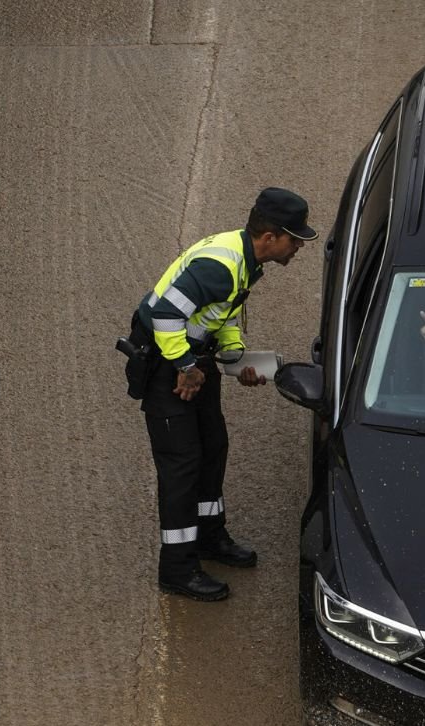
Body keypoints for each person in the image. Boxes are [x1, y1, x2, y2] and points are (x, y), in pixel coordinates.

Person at [130, 187, 318, 601]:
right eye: (295, 240)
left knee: (213, 447)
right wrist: (184, 367)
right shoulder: (220, 264)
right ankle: (177, 568)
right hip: (169, 363)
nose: (298, 249)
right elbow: (164, 315)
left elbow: (222, 315)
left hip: (195, 359)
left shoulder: (246, 263)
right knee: (182, 465)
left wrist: (235, 357)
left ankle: (209, 538)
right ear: (270, 236)